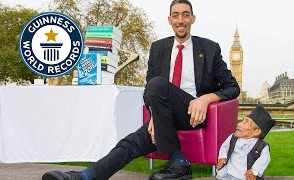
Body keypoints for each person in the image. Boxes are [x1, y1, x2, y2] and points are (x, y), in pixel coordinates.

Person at [42, 0, 240, 179]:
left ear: (193, 19)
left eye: (186, 15)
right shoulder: (158, 48)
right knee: (131, 142)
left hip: (195, 115)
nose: (181, 20)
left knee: (157, 84)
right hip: (165, 116)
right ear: (169, 19)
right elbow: (149, 94)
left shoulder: (210, 49)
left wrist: (205, 99)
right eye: (176, 15)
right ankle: (85, 176)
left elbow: (233, 87)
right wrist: (156, 114)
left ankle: (179, 161)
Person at [216, 105, 276, 180]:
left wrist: (254, 171)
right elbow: (224, 147)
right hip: (229, 171)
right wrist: (222, 157)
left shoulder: (262, 146)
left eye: (246, 122)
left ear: (256, 132)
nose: (239, 124)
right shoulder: (233, 137)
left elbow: (264, 159)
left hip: (245, 175)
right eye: (243, 120)